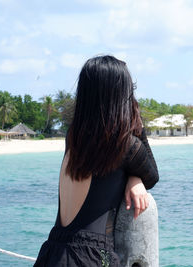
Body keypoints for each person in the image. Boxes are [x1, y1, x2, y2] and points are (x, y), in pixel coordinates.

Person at [34, 55, 159, 267]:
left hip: (53, 252)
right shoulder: (124, 145)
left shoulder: (74, 137)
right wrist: (135, 176)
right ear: (121, 96)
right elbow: (153, 174)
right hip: (90, 258)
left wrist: (132, 176)